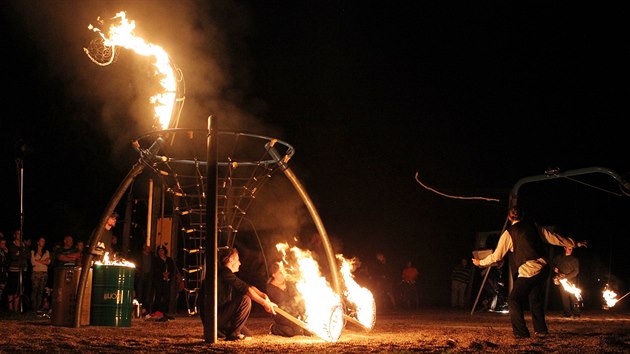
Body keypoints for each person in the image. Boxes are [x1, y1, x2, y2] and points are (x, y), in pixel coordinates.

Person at [472, 207, 587, 339]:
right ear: (523, 215)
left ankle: (521, 332)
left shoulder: (509, 233)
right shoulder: (534, 226)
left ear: (509, 218)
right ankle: (541, 330)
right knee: (535, 298)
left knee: (513, 300)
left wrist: (480, 262)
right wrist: (575, 243)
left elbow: (496, 256)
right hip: (543, 269)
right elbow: (554, 238)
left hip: (529, 269)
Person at [199, 247, 277, 341]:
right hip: (214, 318)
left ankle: (225, 331)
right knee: (245, 299)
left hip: (219, 315)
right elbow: (247, 290)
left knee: (248, 334)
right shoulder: (224, 273)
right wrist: (264, 303)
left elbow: (249, 286)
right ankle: (233, 334)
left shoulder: (225, 273)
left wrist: (264, 296)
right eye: (238, 260)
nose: (240, 263)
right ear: (231, 260)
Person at [266, 261, 308, 337]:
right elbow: (283, 305)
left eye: (283, 272)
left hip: (295, 312)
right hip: (282, 315)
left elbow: (297, 295)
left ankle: (299, 324)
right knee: (291, 332)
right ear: (274, 274)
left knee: (307, 330)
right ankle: (274, 328)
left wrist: (302, 313)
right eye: (280, 273)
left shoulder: (289, 283)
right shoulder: (271, 288)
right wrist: (295, 299)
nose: (283, 274)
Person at [552, 245, 581, 318]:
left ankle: (577, 313)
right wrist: (554, 268)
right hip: (562, 281)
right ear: (565, 248)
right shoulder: (559, 258)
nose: (570, 250)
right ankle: (567, 313)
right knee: (564, 297)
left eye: (571, 249)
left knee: (574, 297)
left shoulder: (574, 259)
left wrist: (566, 276)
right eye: (568, 248)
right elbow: (552, 264)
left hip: (572, 281)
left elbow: (576, 271)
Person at [151, 245, 176, 321]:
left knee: (166, 296)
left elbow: (172, 268)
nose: (161, 252)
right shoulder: (156, 260)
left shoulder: (169, 259)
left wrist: (168, 274)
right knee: (158, 295)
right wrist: (162, 273)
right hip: (159, 280)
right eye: (159, 251)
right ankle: (156, 312)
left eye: (162, 250)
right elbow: (155, 269)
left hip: (167, 280)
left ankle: (164, 312)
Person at [6, 229, 28, 312]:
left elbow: (27, 255)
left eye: (21, 234)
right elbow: (13, 256)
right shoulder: (11, 245)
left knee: (19, 290)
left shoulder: (24, 245)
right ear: (14, 235)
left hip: (22, 270)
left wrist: (20, 254)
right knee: (12, 289)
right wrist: (20, 255)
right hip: (13, 270)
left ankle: (16, 307)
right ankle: (10, 308)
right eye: (18, 234)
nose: (20, 235)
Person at [30, 236, 51, 312]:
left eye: (44, 241)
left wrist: (38, 261)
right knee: (34, 291)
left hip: (44, 273)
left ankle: (38, 308)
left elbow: (48, 262)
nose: (43, 242)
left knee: (41, 291)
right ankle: (33, 308)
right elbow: (33, 263)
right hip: (36, 273)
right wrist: (43, 261)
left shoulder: (46, 252)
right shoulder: (33, 251)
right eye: (41, 241)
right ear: (38, 242)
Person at [135, 244, 154, 316]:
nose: (148, 249)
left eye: (149, 247)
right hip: (141, 276)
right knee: (139, 293)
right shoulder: (139, 256)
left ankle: (146, 310)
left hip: (149, 276)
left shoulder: (151, 256)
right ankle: (138, 310)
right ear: (144, 248)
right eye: (147, 247)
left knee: (147, 294)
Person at [0, 235, 9, 310]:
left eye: (4, 243)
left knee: (1, 291)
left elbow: (7, 262)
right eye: (2, 243)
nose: (4, 245)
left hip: (3, 275)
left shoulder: (4, 253)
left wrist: (6, 254)